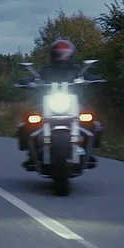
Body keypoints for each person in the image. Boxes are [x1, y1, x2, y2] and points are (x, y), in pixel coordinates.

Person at [20, 39, 101, 170]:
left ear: (71, 54)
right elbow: (34, 77)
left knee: (90, 119)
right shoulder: (46, 70)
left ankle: (88, 151)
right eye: (59, 53)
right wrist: (25, 82)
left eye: (65, 53)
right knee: (30, 121)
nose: (62, 57)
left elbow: (89, 76)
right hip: (48, 104)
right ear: (53, 55)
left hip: (73, 104)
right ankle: (32, 153)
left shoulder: (77, 70)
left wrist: (95, 80)